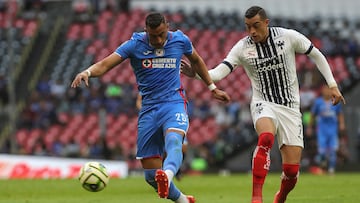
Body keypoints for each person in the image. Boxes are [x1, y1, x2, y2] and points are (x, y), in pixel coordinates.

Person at [181, 6, 345, 203]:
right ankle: (256, 198)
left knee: (291, 172)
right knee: (266, 137)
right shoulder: (243, 48)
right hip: (263, 102)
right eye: (248, 27)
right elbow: (218, 72)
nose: (252, 31)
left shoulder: (287, 37)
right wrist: (198, 74)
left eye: (256, 26)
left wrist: (333, 85)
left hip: (290, 107)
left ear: (266, 23)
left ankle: (281, 195)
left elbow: (316, 54)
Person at [71, 12, 230, 203]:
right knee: (150, 175)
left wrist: (212, 87)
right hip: (149, 109)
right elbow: (105, 64)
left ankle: (168, 175)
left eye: (162, 34)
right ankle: (184, 201)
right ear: (145, 30)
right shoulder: (134, 44)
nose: (159, 39)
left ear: (167, 26)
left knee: (174, 141)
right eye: (153, 36)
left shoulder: (180, 40)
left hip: (174, 103)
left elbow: (196, 60)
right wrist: (87, 71)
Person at [306, 85, 346, 174]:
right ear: (322, 91)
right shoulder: (318, 102)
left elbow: (340, 114)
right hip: (321, 130)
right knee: (322, 151)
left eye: (328, 90)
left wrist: (342, 124)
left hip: (332, 130)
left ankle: (331, 169)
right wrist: (309, 127)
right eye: (325, 90)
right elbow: (312, 115)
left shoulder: (335, 101)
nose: (327, 92)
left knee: (332, 150)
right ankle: (322, 167)